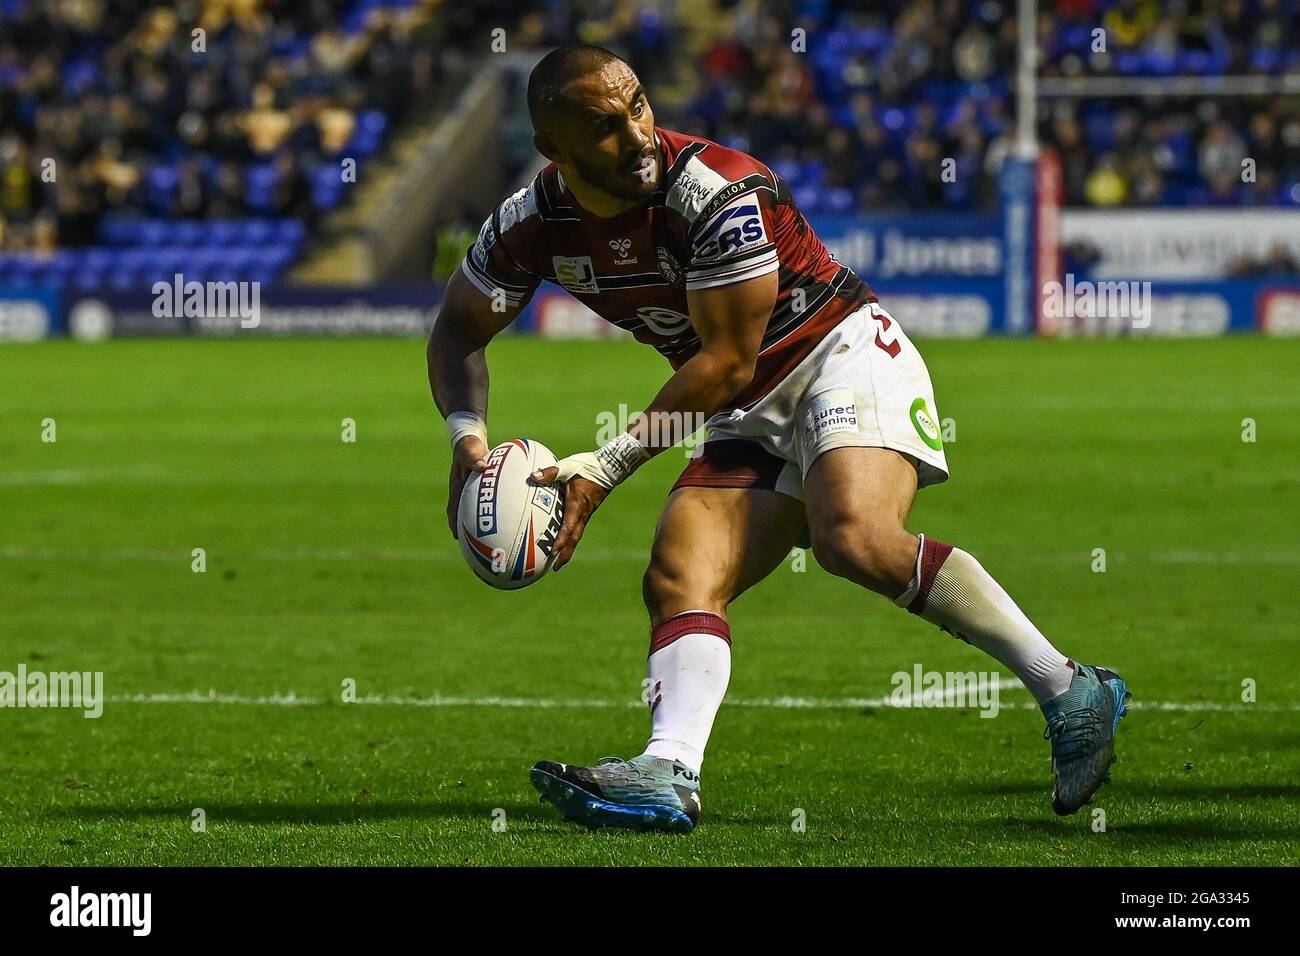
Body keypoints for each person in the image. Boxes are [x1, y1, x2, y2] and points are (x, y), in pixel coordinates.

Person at [427, 45, 1130, 833]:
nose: (635, 136)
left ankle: (1070, 689)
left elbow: (725, 362)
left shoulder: (718, 191)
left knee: (854, 539)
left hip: (839, 352)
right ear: (553, 148)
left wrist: (604, 468)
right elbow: (456, 334)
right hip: (747, 403)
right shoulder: (529, 224)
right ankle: (669, 771)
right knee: (679, 575)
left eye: (638, 106)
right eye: (602, 127)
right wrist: (467, 444)